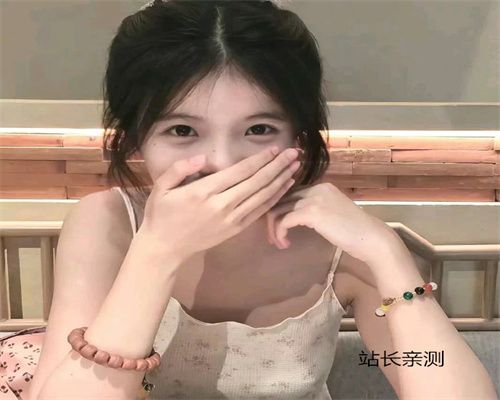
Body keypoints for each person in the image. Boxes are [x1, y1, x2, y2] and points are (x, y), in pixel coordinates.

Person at [28, 1, 497, 399]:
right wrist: (157, 253)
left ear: (299, 135)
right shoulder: (108, 222)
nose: (223, 162)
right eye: (182, 130)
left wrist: (386, 251)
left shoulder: (338, 243)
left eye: (258, 129)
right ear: (136, 137)